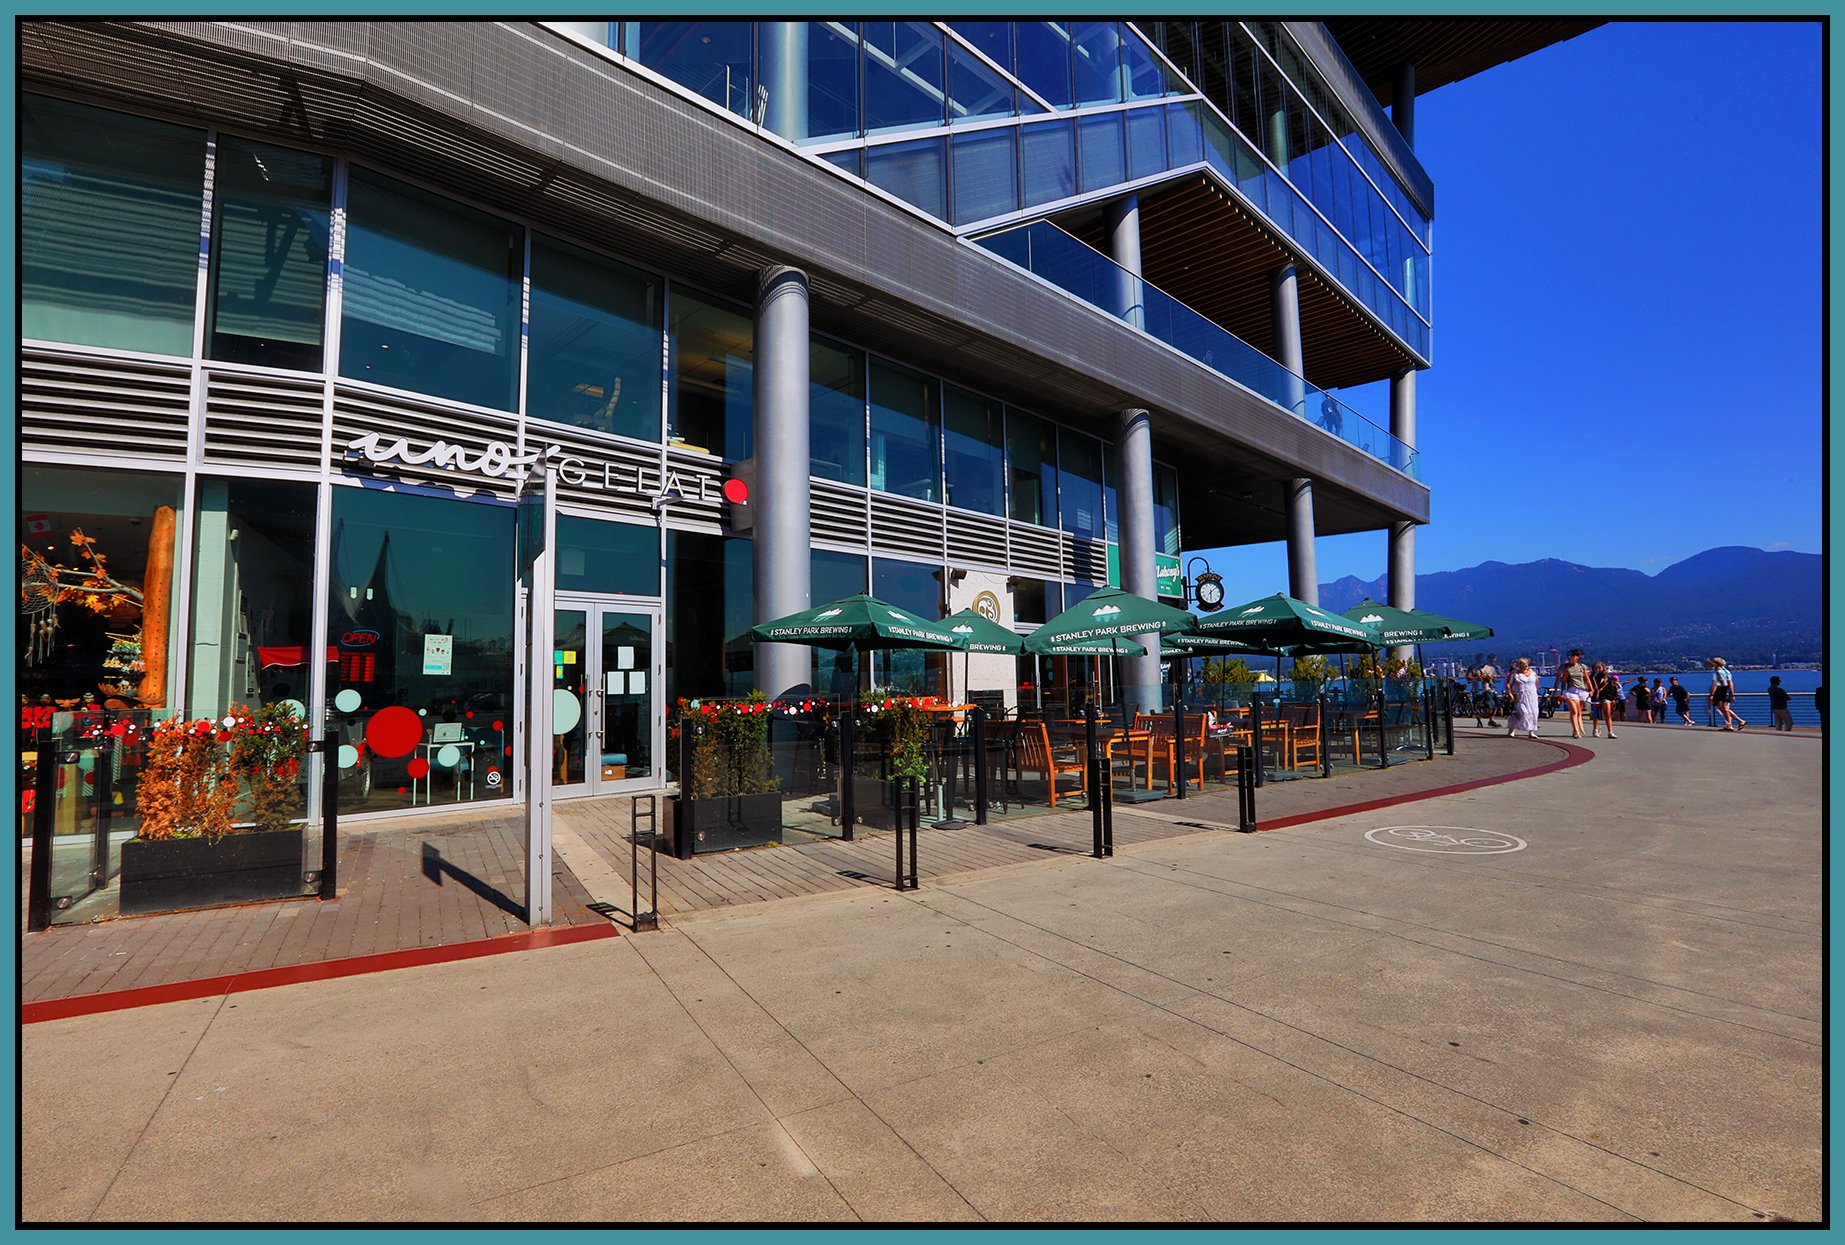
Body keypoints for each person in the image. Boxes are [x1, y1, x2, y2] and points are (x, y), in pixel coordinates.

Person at [1556, 649, 1593, 739]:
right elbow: (1562, 680)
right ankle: (1576, 732)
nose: (1571, 658)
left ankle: (1577, 729)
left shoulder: (1582, 667)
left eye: (1573, 657)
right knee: (1574, 711)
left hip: (1581, 690)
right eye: (1570, 657)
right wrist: (1559, 691)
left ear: (1577, 657)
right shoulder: (1565, 668)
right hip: (1570, 691)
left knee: (1579, 712)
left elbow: (1587, 679)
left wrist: (1591, 689)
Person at [1504, 657, 1540, 739]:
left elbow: (1536, 684)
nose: (1525, 667)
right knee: (1522, 713)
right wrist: (1511, 694)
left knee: (1534, 713)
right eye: (1523, 666)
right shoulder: (1515, 674)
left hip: (1532, 696)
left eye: (1526, 665)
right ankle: (1512, 729)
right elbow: (1508, 684)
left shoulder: (1533, 673)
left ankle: (1531, 731)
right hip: (1521, 696)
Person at [1710, 656, 1745, 730]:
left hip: (1721, 690)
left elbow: (1715, 684)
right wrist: (1732, 693)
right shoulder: (1727, 671)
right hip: (1727, 690)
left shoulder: (1718, 672)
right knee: (1724, 708)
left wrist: (1712, 694)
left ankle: (1739, 721)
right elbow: (1730, 683)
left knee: (1723, 708)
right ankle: (1729, 725)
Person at [1588, 662, 1620, 738]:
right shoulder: (1592, 677)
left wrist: (1613, 698)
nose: (1598, 669)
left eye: (1600, 668)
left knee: (1607, 713)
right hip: (1596, 696)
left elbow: (1611, 688)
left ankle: (1610, 731)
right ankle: (1595, 730)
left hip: (1606, 696)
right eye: (1596, 668)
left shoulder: (1607, 677)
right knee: (1596, 714)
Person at [1474, 654, 1501, 729]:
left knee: (1494, 703)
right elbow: (1478, 677)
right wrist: (1483, 677)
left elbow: (1493, 676)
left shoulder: (1491, 668)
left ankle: (1491, 719)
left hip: (1491, 688)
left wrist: (1492, 678)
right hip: (1484, 689)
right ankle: (1483, 720)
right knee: (1488, 703)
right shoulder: (1480, 669)